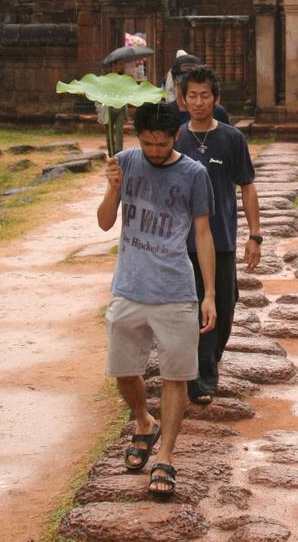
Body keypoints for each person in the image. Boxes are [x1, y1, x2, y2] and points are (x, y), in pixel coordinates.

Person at [97, 101, 216, 498]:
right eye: (147, 143)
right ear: (138, 137)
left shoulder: (194, 174)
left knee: (175, 376)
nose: (153, 151)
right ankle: (144, 421)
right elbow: (104, 221)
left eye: (161, 144)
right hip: (128, 286)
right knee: (123, 371)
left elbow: (202, 234)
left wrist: (209, 293)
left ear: (175, 136)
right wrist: (114, 185)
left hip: (175, 291)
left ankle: (165, 455)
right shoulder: (126, 161)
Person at [175, 66, 261, 404]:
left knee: (224, 308)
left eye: (204, 95)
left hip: (222, 237)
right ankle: (201, 379)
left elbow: (248, 187)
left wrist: (256, 235)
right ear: (183, 99)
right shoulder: (176, 139)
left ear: (216, 98)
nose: (198, 102)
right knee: (194, 307)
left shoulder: (231, 138)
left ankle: (210, 361)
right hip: (182, 242)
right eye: (192, 95)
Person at [168, 53, 230, 124]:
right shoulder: (166, 114)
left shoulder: (216, 111)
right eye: (183, 79)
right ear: (174, 79)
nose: (188, 83)